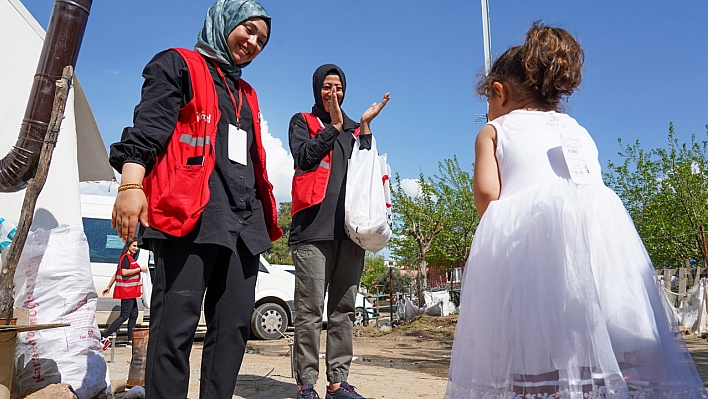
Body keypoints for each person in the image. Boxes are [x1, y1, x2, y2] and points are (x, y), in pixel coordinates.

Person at [445, 22, 708, 398]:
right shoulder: (578, 130)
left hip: (528, 256)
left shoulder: (494, 131)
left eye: (488, 100)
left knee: (528, 349)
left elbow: (487, 196)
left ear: (499, 93)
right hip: (593, 259)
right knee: (586, 343)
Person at [108, 1, 282, 398]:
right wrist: (131, 186)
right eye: (249, 30)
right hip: (191, 213)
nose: (254, 42)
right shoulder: (178, 64)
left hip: (244, 221)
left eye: (262, 40)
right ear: (225, 21)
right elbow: (149, 127)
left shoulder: (246, 92)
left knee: (234, 327)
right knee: (176, 325)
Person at [289, 64, 390, 399]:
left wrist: (364, 126)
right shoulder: (303, 121)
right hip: (312, 234)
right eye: (327, 86)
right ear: (317, 88)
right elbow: (304, 158)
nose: (333, 92)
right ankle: (306, 384)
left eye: (339, 86)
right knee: (309, 312)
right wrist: (332, 127)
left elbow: (366, 169)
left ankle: (337, 383)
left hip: (351, 234)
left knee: (343, 310)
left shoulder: (353, 129)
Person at [100, 239, 147, 350]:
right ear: (128, 246)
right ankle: (105, 337)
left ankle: (130, 341)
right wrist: (140, 269)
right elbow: (124, 272)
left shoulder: (128, 258)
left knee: (134, 315)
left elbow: (117, 273)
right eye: (134, 245)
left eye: (137, 246)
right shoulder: (126, 257)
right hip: (127, 292)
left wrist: (109, 286)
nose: (136, 248)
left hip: (131, 292)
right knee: (124, 315)